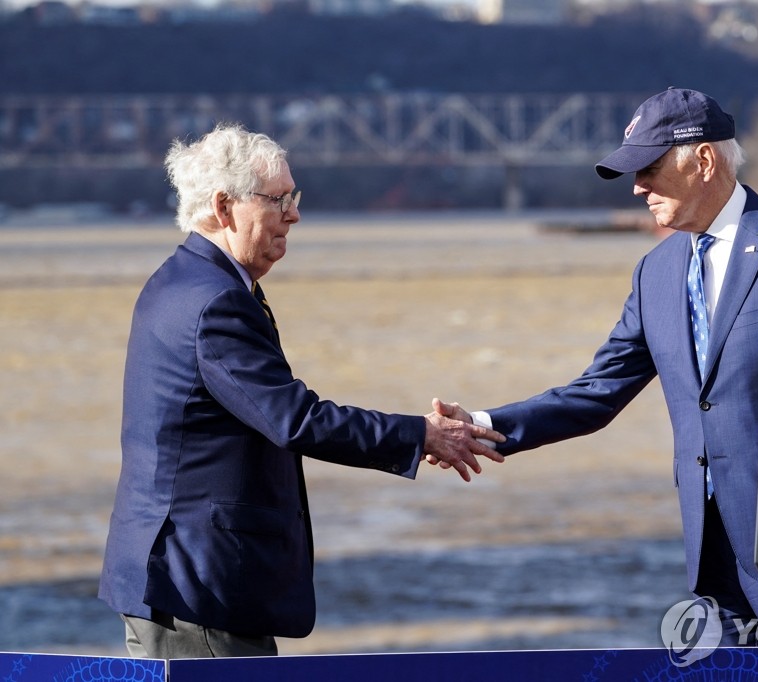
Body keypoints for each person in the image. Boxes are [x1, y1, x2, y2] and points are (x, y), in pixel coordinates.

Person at [429, 87, 758, 644]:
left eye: (649, 168)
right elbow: (596, 393)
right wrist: (479, 427)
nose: (637, 187)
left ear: (702, 160)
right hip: (711, 554)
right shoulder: (655, 272)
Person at [99, 123, 505, 658]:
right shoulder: (214, 301)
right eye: (279, 199)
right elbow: (295, 418)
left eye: (295, 196)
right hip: (199, 585)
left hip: (182, 577)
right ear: (225, 207)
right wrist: (421, 435)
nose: (293, 213)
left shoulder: (180, 280)